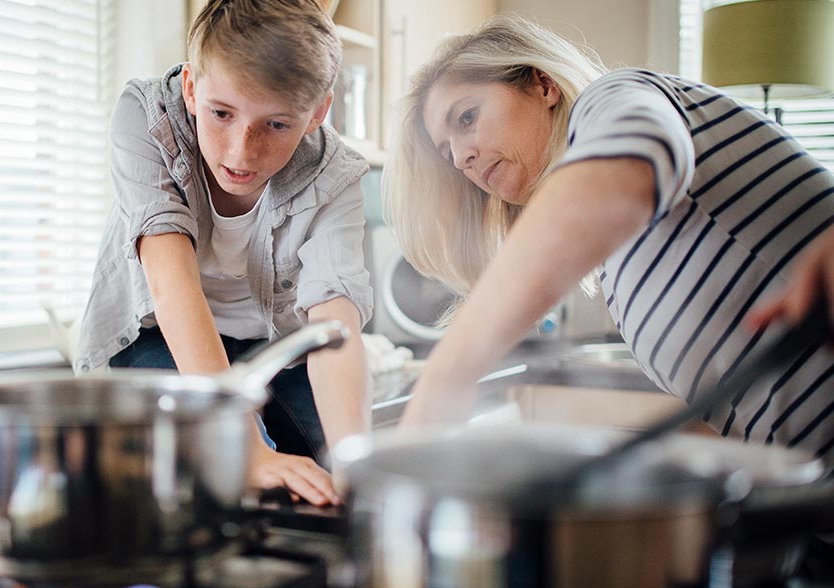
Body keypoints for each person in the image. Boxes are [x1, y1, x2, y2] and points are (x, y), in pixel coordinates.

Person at [385, 14, 834, 461]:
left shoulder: (614, 97)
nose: (462, 157)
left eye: (466, 117)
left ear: (543, 85)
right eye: (447, 153)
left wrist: (444, 380)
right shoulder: (620, 275)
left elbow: (630, 158)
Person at [74, 0, 373, 505]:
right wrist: (248, 448)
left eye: (277, 124)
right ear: (192, 88)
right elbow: (173, 285)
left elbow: (333, 325)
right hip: (158, 338)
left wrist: (354, 462)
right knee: (223, 466)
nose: (240, 152)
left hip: (270, 347)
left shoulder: (334, 174)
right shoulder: (147, 120)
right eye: (221, 114)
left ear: (317, 113)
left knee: (328, 468)